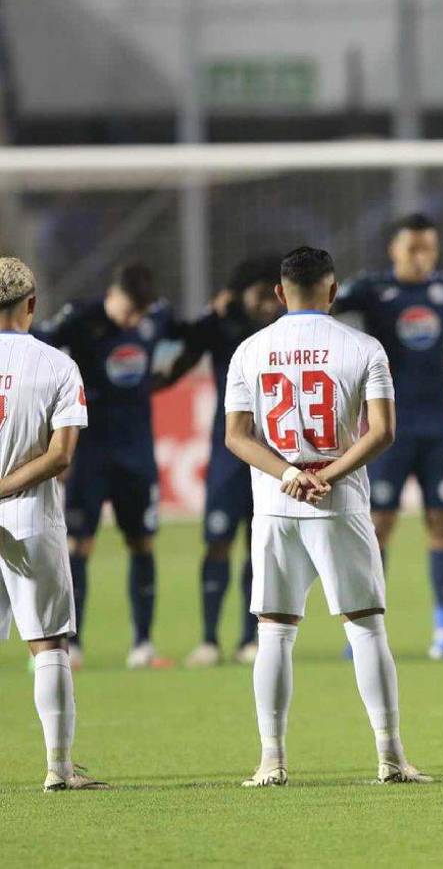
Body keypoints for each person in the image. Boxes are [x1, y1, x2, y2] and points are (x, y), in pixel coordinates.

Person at [223, 246, 430, 787]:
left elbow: (237, 436)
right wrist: (328, 475)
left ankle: (271, 759)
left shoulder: (249, 350)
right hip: (339, 505)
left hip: (275, 505)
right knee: (366, 629)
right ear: (333, 291)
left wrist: (289, 473)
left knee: (273, 632)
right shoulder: (363, 347)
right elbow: (382, 432)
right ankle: (390, 757)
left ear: (278, 293)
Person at [334, 213, 443, 660]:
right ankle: (366, 633)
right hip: (386, 430)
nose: (422, 257)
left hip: (438, 426)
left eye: (429, 249)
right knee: (378, 525)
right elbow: (319, 312)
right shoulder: (370, 290)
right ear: (394, 250)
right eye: (413, 249)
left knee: (440, 525)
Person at [36, 263, 182, 669]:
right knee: (78, 544)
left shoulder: (156, 316)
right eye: (129, 310)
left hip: (136, 452)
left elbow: (191, 336)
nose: (134, 321)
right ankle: (72, 644)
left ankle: (143, 645)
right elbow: (37, 345)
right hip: (89, 451)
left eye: (140, 313)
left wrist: (174, 373)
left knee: (142, 541)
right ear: (112, 295)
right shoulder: (80, 317)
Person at [0, 256, 108, 790]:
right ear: (32, 304)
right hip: (27, 514)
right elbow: (62, 455)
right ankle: (59, 768)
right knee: (48, 644)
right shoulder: (56, 366)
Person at [166, 255, 284, 668]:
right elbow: (180, 348)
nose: (269, 304)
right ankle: (209, 639)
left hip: (272, 455)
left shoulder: (283, 332)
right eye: (259, 295)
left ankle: (250, 638)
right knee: (217, 542)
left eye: (274, 295)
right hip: (228, 454)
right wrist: (208, 312)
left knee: (260, 544)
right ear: (240, 294)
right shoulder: (220, 326)